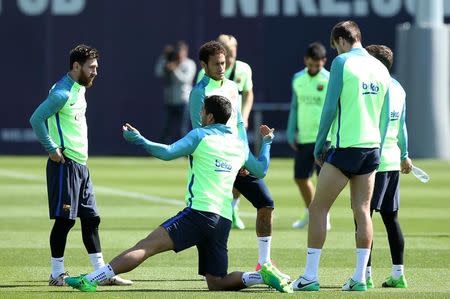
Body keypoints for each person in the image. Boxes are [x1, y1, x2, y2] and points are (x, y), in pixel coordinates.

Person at [64, 95, 292, 293]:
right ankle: (260, 276)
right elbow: (261, 169)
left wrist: (140, 140)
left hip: (199, 215)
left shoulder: (200, 135)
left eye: (203, 111)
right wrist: (267, 143)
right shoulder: (239, 145)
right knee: (217, 282)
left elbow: (167, 152)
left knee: (145, 246)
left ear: (211, 117)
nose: (200, 114)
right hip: (222, 220)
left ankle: (91, 280)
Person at [291, 21, 391, 292]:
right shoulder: (381, 67)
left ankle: (310, 276)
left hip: (346, 147)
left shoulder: (342, 63)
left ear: (340, 40)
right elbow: (385, 115)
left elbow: (329, 108)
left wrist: (318, 143)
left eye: (335, 46)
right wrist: (378, 147)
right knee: (362, 211)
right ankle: (360, 277)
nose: (335, 52)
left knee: (317, 208)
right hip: (372, 148)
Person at [29, 44, 132, 286]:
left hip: (81, 166)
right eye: (92, 67)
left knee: (91, 219)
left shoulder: (79, 87)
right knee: (65, 221)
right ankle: (56, 274)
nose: (96, 71)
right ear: (76, 66)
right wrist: (51, 149)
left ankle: (102, 274)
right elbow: (36, 119)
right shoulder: (62, 93)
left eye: (97, 66)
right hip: (65, 165)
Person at [190, 41, 287, 276]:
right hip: (214, 165)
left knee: (266, 202)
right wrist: (232, 162)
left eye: (224, 63)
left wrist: (243, 158)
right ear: (203, 65)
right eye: (216, 64)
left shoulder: (233, 87)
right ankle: (213, 272)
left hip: (237, 158)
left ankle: (264, 263)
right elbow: (199, 133)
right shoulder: (199, 93)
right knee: (210, 216)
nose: (222, 68)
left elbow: (240, 126)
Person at [360, 44, 412, 289]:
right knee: (391, 220)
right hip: (392, 161)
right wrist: (406, 154)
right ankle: (398, 274)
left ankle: (365, 275)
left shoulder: (375, 88)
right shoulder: (399, 88)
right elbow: (401, 127)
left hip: (377, 161)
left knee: (364, 218)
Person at [196, 34, 254, 229]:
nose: (230, 53)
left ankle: (233, 206)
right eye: (226, 49)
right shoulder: (205, 77)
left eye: (233, 49)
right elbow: (200, 108)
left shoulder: (243, 70)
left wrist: (244, 118)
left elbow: (248, 93)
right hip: (215, 138)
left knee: (248, 176)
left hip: (235, 136)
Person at [286, 42, 331, 230]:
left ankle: (323, 216)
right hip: (304, 138)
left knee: (324, 181)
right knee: (300, 178)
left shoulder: (330, 79)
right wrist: (290, 131)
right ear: (306, 61)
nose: (314, 68)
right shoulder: (298, 79)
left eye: (318, 65)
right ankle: (311, 211)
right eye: (311, 64)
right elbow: (295, 106)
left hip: (325, 138)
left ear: (324, 62)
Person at [155, 41, 196, 143]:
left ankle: (185, 153)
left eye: (181, 52)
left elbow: (186, 80)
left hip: (184, 101)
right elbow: (158, 72)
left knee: (183, 129)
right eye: (178, 52)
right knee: (167, 129)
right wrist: (164, 58)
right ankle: (162, 152)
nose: (179, 54)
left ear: (186, 52)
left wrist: (174, 69)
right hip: (170, 101)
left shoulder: (189, 64)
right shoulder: (169, 62)